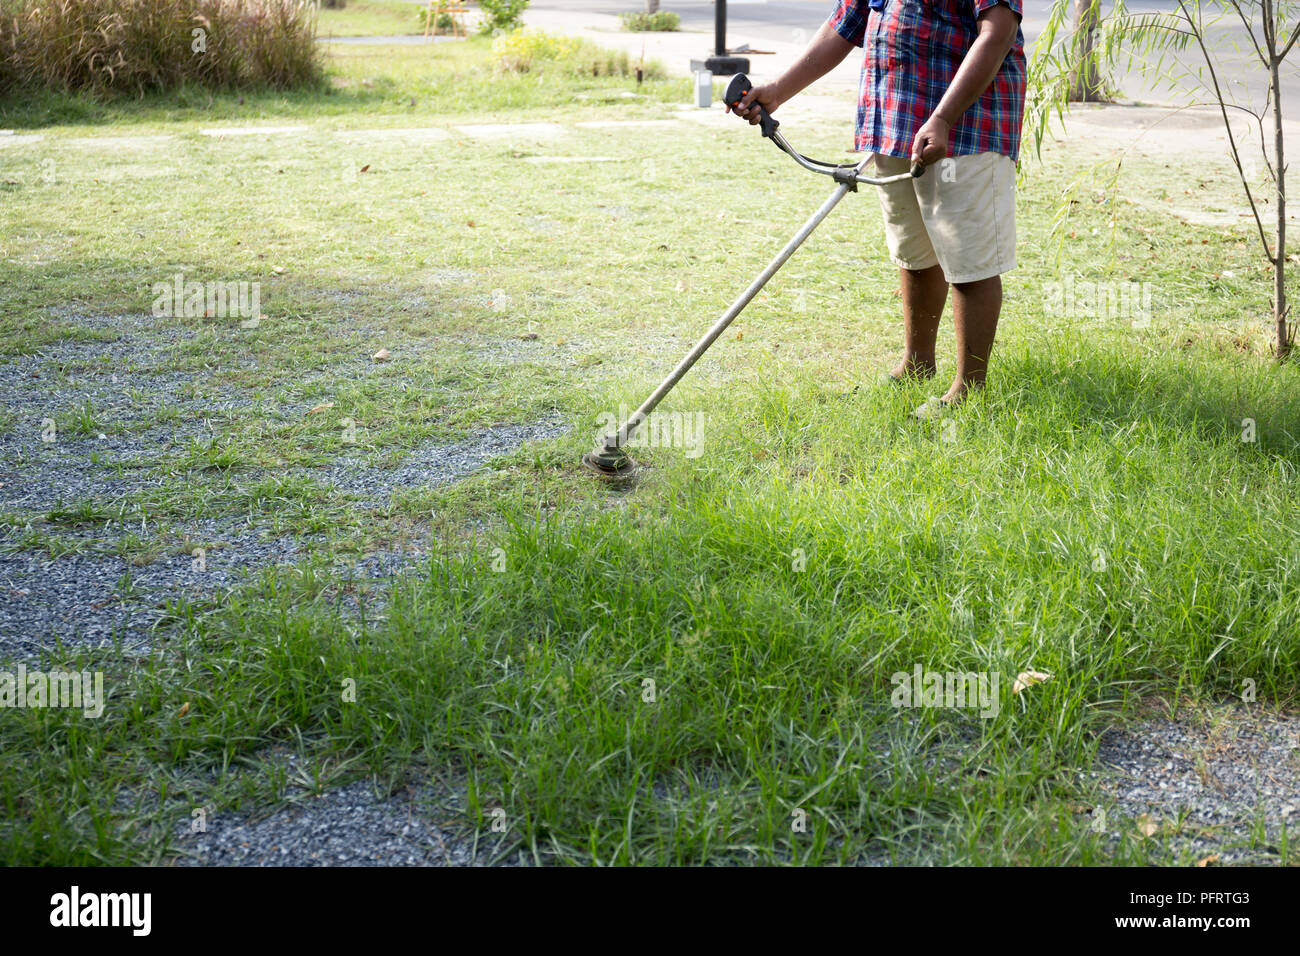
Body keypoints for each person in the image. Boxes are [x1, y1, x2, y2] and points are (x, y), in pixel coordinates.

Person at [730, 0, 1026, 409]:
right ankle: (917, 365)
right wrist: (778, 91)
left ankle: (968, 392)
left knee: (968, 261)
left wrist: (942, 117)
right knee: (914, 251)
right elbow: (845, 24)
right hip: (896, 120)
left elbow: (998, 32)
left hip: (965, 126)